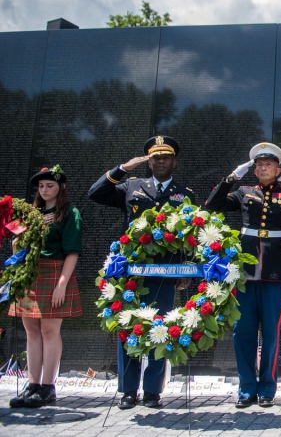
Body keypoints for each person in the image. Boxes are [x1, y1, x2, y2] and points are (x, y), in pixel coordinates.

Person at [88, 136, 195, 409]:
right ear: (149, 161)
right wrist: (122, 168)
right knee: (129, 331)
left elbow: (191, 236)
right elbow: (96, 193)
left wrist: (186, 271)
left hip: (165, 274)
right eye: (155, 157)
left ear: (174, 161)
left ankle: (152, 391)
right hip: (132, 275)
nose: (160, 161)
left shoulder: (185, 194)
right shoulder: (131, 186)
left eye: (165, 157)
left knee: (160, 331)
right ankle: (128, 390)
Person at [205, 142, 281, 408]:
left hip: (275, 271)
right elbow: (212, 206)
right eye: (259, 165)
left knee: (272, 333)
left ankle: (267, 389)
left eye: (268, 165)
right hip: (245, 272)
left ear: (278, 170)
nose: (263, 168)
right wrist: (232, 177)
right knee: (243, 332)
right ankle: (246, 389)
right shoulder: (242, 192)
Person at [7, 165, 82, 408]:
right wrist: (23, 234)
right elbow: (16, 247)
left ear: (61, 187)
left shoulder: (70, 213)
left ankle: (48, 387)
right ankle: (32, 385)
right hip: (30, 272)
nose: (45, 189)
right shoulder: (30, 214)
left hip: (55, 271)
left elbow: (72, 252)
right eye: (41, 186)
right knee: (31, 330)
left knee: (49, 331)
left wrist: (62, 284)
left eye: (50, 185)